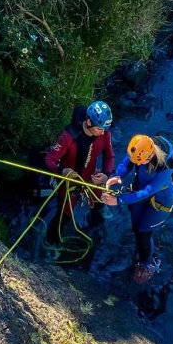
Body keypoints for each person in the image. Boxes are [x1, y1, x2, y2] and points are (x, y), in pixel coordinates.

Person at [41, 101, 115, 257]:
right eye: (99, 129)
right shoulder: (68, 137)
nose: (102, 133)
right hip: (69, 184)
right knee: (64, 217)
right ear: (88, 122)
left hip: (91, 179)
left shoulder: (104, 133)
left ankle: (98, 211)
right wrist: (62, 170)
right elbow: (49, 160)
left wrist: (106, 175)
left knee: (99, 201)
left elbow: (109, 156)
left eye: (104, 129)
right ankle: (50, 242)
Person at [105, 134, 173, 285]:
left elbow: (148, 191)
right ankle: (151, 245)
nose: (139, 164)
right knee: (136, 228)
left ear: (149, 155)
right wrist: (118, 175)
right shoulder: (141, 146)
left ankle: (148, 263)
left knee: (143, 234)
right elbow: (127, 163)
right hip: (140, 192)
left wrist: (119, 200)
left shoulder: (165, 166)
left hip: (159, 202)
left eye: (141, 162)